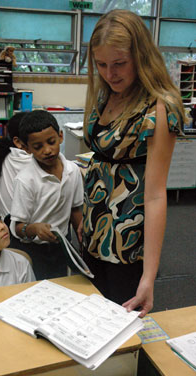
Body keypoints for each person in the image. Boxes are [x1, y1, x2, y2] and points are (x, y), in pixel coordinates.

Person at [77, 9, 186, 318]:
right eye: (101, 64)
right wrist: (87, 215)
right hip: (96, 226)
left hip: (127, 238)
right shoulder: (105, 94)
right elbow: (101, 163)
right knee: (88, 317)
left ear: (140, 56)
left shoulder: (159, 108)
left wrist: (148, 276)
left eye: (119, 64)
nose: (110, 74)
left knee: (120, 325)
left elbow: (154, 194)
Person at [10, 110, 84, 280]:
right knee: (35, 291)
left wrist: (82, 242)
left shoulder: (73, 171)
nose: (47, 150)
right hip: (33, 248)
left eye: (51, 142)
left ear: (60, 136)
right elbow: (17, 227)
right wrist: (34, 228)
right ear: (27, 148)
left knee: (61, 286)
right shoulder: (25, 180)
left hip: (61, 244)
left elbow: (75, 210)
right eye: (38, 147)